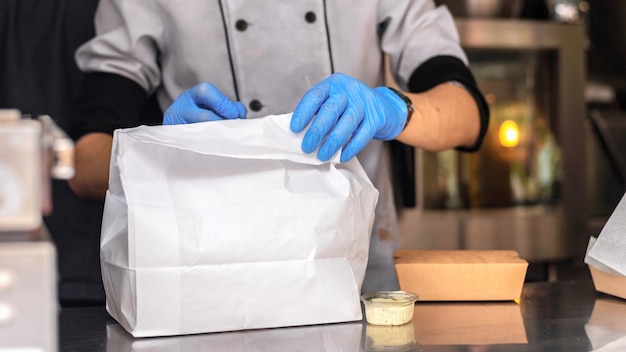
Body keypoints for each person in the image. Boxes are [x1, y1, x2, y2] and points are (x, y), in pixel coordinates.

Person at [68, 0, 489, 297]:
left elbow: (469, 115)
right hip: (207, 278)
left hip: (354, 275)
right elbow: (84, 165)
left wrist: (394, 109)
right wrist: (162, 144)